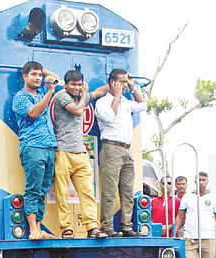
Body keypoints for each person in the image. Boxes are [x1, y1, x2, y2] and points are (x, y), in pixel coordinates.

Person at [52, 69, 108, 239]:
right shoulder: (62, 97)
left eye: (79, 85)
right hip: (62, 151)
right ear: (66, 84)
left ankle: (92, 227)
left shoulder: (81, 96)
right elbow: (77, 110)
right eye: (73, 85)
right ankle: (66, 228)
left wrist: (117, 84)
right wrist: (84, 94)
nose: (77, 88)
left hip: (81, 152)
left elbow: (99, 92)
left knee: (87, 191)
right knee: (62, 193)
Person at [94, 69, 148, 237]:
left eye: (126, 81)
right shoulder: (102, 103)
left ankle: (127, 226)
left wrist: (133, 87)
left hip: (127, 148)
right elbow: (110, 117)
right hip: (111, 148)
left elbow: (143, 105)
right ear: (112, 83)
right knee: (109, 191)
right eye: (122, 82)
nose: (124, 85)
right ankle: (108, 227)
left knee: (127, 191)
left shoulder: (126, 101)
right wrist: (116, 96)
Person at [12, 61, 60, 240]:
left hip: (48, 147)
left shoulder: (41, 92)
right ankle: (33, 229)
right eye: (33, 74)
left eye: (39, 75)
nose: (38, 78)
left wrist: (44, 73)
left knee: (43, 190)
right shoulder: (20, 97)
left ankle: (39, 228)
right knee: (33, 189)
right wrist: (49, 92)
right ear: (24, 77)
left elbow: (57, 79)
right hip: (32, 147)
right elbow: (33, 113)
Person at [175, 171, 216, 258]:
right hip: (190, 237)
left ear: (207, 182)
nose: (201, 182)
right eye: (199, 180)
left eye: (203, 180)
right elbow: (180, 216)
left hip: (208, 237)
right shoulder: (187, 197)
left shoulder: (213, 198)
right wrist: (174, 230)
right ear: (195, 181)